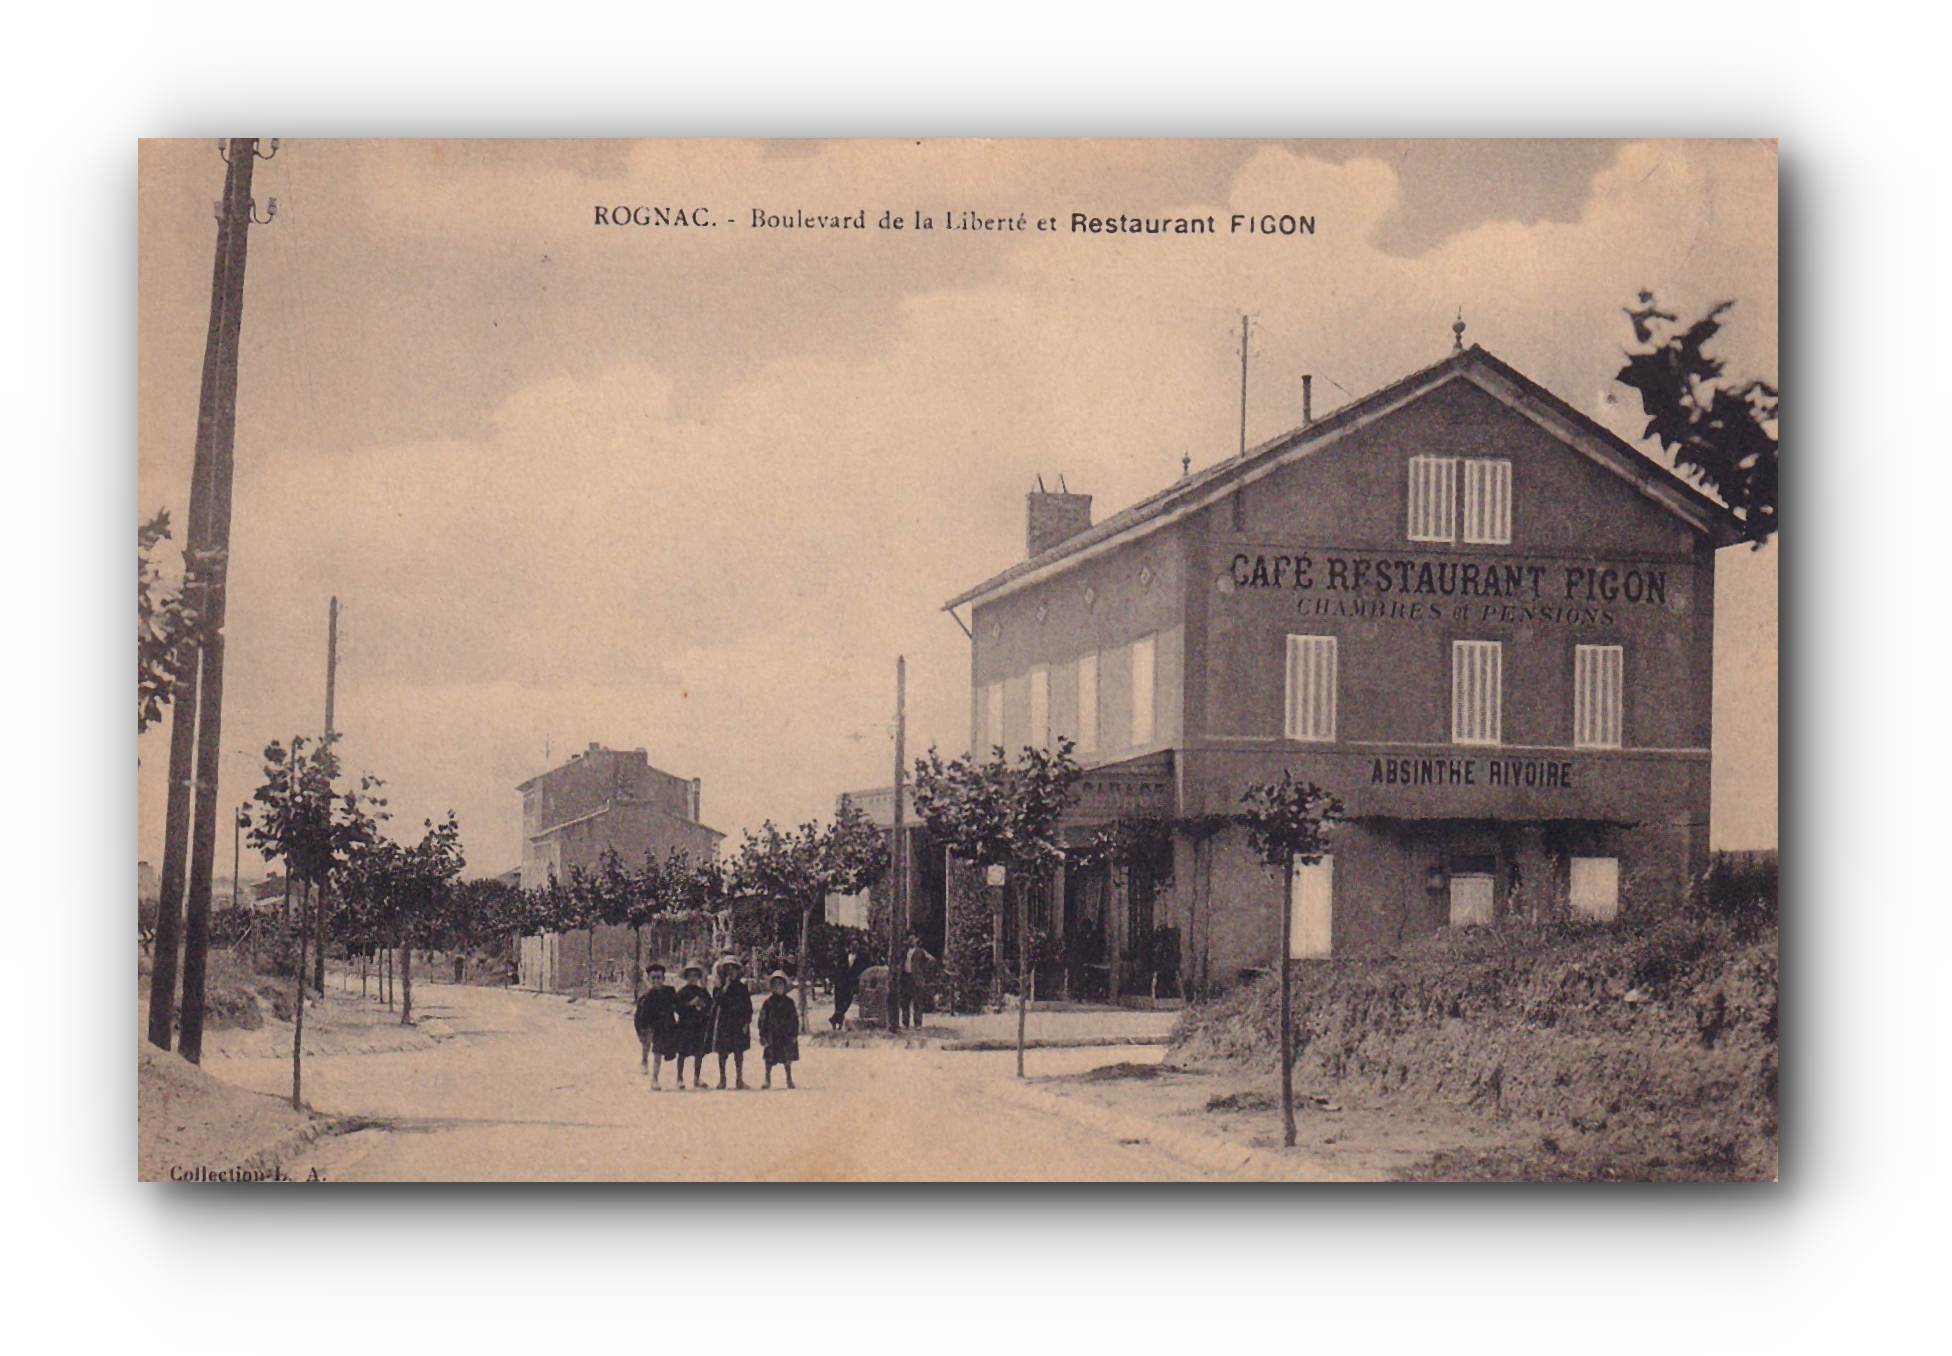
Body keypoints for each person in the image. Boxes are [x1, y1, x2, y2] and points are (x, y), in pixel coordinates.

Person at [709, 955, 754, 1091]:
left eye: (733, 969)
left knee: (739, 1052)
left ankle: (739, 1079)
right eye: (728, 970)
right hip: (724, 1022)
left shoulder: (742, 988)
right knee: (722, 1052)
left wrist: (746, 1022)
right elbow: (717, 1002)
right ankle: (722, 1079)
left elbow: (748, 1006)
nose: (731, 972)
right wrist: (726, 986)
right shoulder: (719, 987)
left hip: (738, 1023)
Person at [634, 962, 680, 1088]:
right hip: (651, 1026)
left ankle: (680, 1078)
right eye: (653, 978)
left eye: (659, 978)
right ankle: (654, 1078)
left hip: (667, 1026)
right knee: (655, 1051)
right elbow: (641, 1016)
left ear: (664, 979)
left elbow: (678, 1007)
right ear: (648, 980)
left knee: (673, 1051)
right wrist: (643, 1030)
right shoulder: (646, 996)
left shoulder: (670, 991)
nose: (656, 981)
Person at [673, 961, 713, 1090]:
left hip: (699, 1025)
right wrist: (690, 1004)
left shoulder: (702, 991)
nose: (693, 978)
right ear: (686, 977)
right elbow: (677, 1008)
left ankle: (697, 1077)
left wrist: (703, 1006)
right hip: (685, 1025)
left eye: (695, 975)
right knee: (682, 1052)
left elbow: (710, 1006)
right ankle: (679, 1078)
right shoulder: (682, 992)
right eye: (690, 975)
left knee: (699, 1053)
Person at [758, 969, 800, 1089]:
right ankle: (767, 1079)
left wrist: (794, 1034)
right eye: (775, 984)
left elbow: (794, 1019)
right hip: (772, 1034)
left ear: (785, 986)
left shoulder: (789, 1002)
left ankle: (789, 1079)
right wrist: (762, 1034)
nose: (777, 987)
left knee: (787, 1058)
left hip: (785, 1034)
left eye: (780, 984)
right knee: (769, 1059)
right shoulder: (768, 1003)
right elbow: (762, 1019)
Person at [831, 944, 871, 1030]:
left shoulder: (861, 958)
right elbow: (837, 969)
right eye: (852, 946)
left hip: (851, 983)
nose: (853, 947)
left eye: (856, 946)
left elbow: (863, 969)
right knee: (839, 1003)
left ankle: (834, 1018)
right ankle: (838, 1024)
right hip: (841, 983)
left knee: (847, 1001)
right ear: (849, 947)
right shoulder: (842, 957)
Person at [902, 932, 936, 1026]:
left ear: (916, 940)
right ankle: (905, 1023)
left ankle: (917, 1023)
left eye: (913, 939)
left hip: (916, 978)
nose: (911, 941)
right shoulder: (904, 951)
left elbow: (931, 960)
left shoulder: (920, 951)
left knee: (917, 1001)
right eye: (909, 939)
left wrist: (922, 970)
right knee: (905, 1001)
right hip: (906, 977)